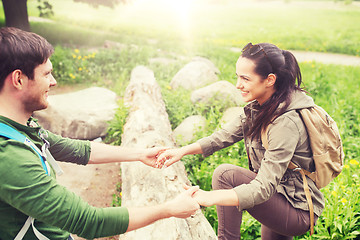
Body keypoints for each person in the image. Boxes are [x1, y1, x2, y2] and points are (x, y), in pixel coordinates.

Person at [0, 26, 200, 240]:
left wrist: (139, 154)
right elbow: (88, 222)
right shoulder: (10, 157)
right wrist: (169, 210)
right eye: (47, 73)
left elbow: (75, 149)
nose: (54, 81)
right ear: (19, 79)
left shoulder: (18, 127)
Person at [157, 42, 324, 239]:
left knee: (225, 175)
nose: (238, 85)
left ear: (270, 80)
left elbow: (263, 187)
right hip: (281, 196)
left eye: (245, 78)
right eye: (238, 76)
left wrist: (209, 197)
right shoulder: (263, 106)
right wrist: (181, 151)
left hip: (296, 210)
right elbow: (222, 136)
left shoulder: (285, 123)